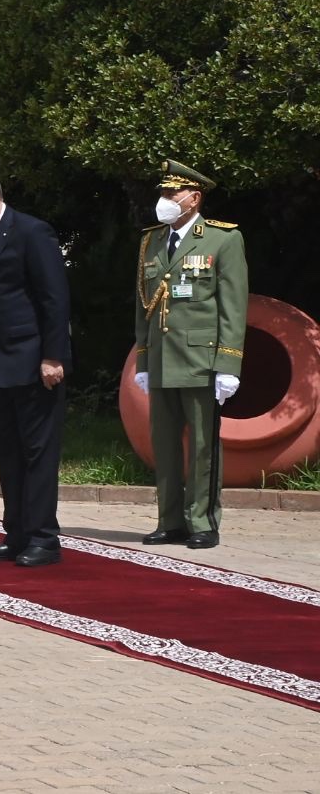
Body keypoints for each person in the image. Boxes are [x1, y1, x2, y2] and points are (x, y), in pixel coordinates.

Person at [0, 169, 70, 567]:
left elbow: (53, 299)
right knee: (8, 452)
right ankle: (16, 533)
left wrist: (53, 356)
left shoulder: (32, 233)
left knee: (38, 452)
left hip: (32, 360)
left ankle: (44, 538)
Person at [133, 159, 247, 550]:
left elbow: (233, 307)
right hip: (163, 359)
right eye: (162, 193)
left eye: (172, 193)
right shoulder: (151, 241)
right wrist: (144, 359)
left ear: (193, 198)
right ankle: (169, 520)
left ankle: (202, 521)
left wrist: (228, 363)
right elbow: (143, 306)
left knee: (202, 447)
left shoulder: (222, 239)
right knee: (163, 445)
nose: (164, 200)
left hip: (201, 360)